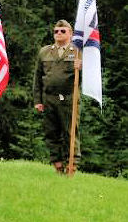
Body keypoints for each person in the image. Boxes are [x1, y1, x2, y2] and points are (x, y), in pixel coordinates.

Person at [34, 20, 81, 174]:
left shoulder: (78, 52)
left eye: (63, 31)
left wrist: (80, 67)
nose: (59, 34)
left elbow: (86, 78)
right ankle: (58, 164)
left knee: (70, 132)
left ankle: (71, 165)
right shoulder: (45, 52)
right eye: (56, 31)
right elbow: (37, 78)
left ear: (70, 33)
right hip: (49, 98)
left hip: (69, 99)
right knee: (51, 133)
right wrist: (38, 101)